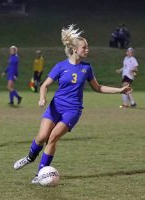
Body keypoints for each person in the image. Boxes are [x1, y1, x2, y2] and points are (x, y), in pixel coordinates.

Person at [13, 25, 131, 184]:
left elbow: (98, 87)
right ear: (75, 49)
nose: (87, 50)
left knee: (53, 138)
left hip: (73, 110)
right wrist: (42, 98)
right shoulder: (61, 66)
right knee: (41, 137)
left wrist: (119, 90)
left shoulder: (87, 68)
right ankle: (29, 157)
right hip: (55, 106)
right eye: (84, 47)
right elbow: (44, 85)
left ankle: (40, 173)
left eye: (87, 47)